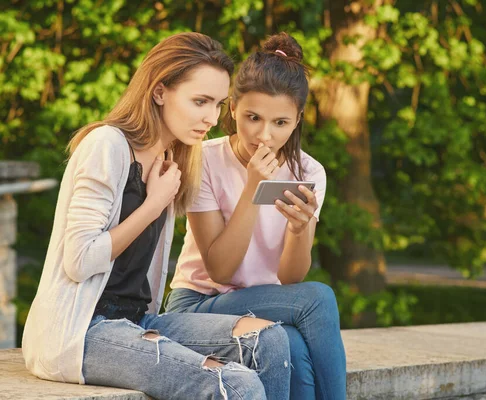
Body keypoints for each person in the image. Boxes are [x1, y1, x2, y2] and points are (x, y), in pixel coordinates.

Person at [22, 32, 291, 400]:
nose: (211, 118)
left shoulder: (174, 161)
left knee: (270, 340)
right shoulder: (106, 145)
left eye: (217, 104)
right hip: (81, 330)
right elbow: (79, 260)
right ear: (160, 91)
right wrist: (153, 205)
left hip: (135, 322)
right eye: (200, 101)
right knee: (236, 385)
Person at [165, 32, 346, 399]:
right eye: (253, 117)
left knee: (293, 344)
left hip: (268, 306)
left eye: (280, 122)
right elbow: (221, 270)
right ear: (232, 108)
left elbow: (290, 277)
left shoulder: (309, 173)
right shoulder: (204, 160)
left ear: (296, 121)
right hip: (199, 303)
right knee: (319, 298)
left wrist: (299, 229)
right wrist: (252, 188)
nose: (264, 135)